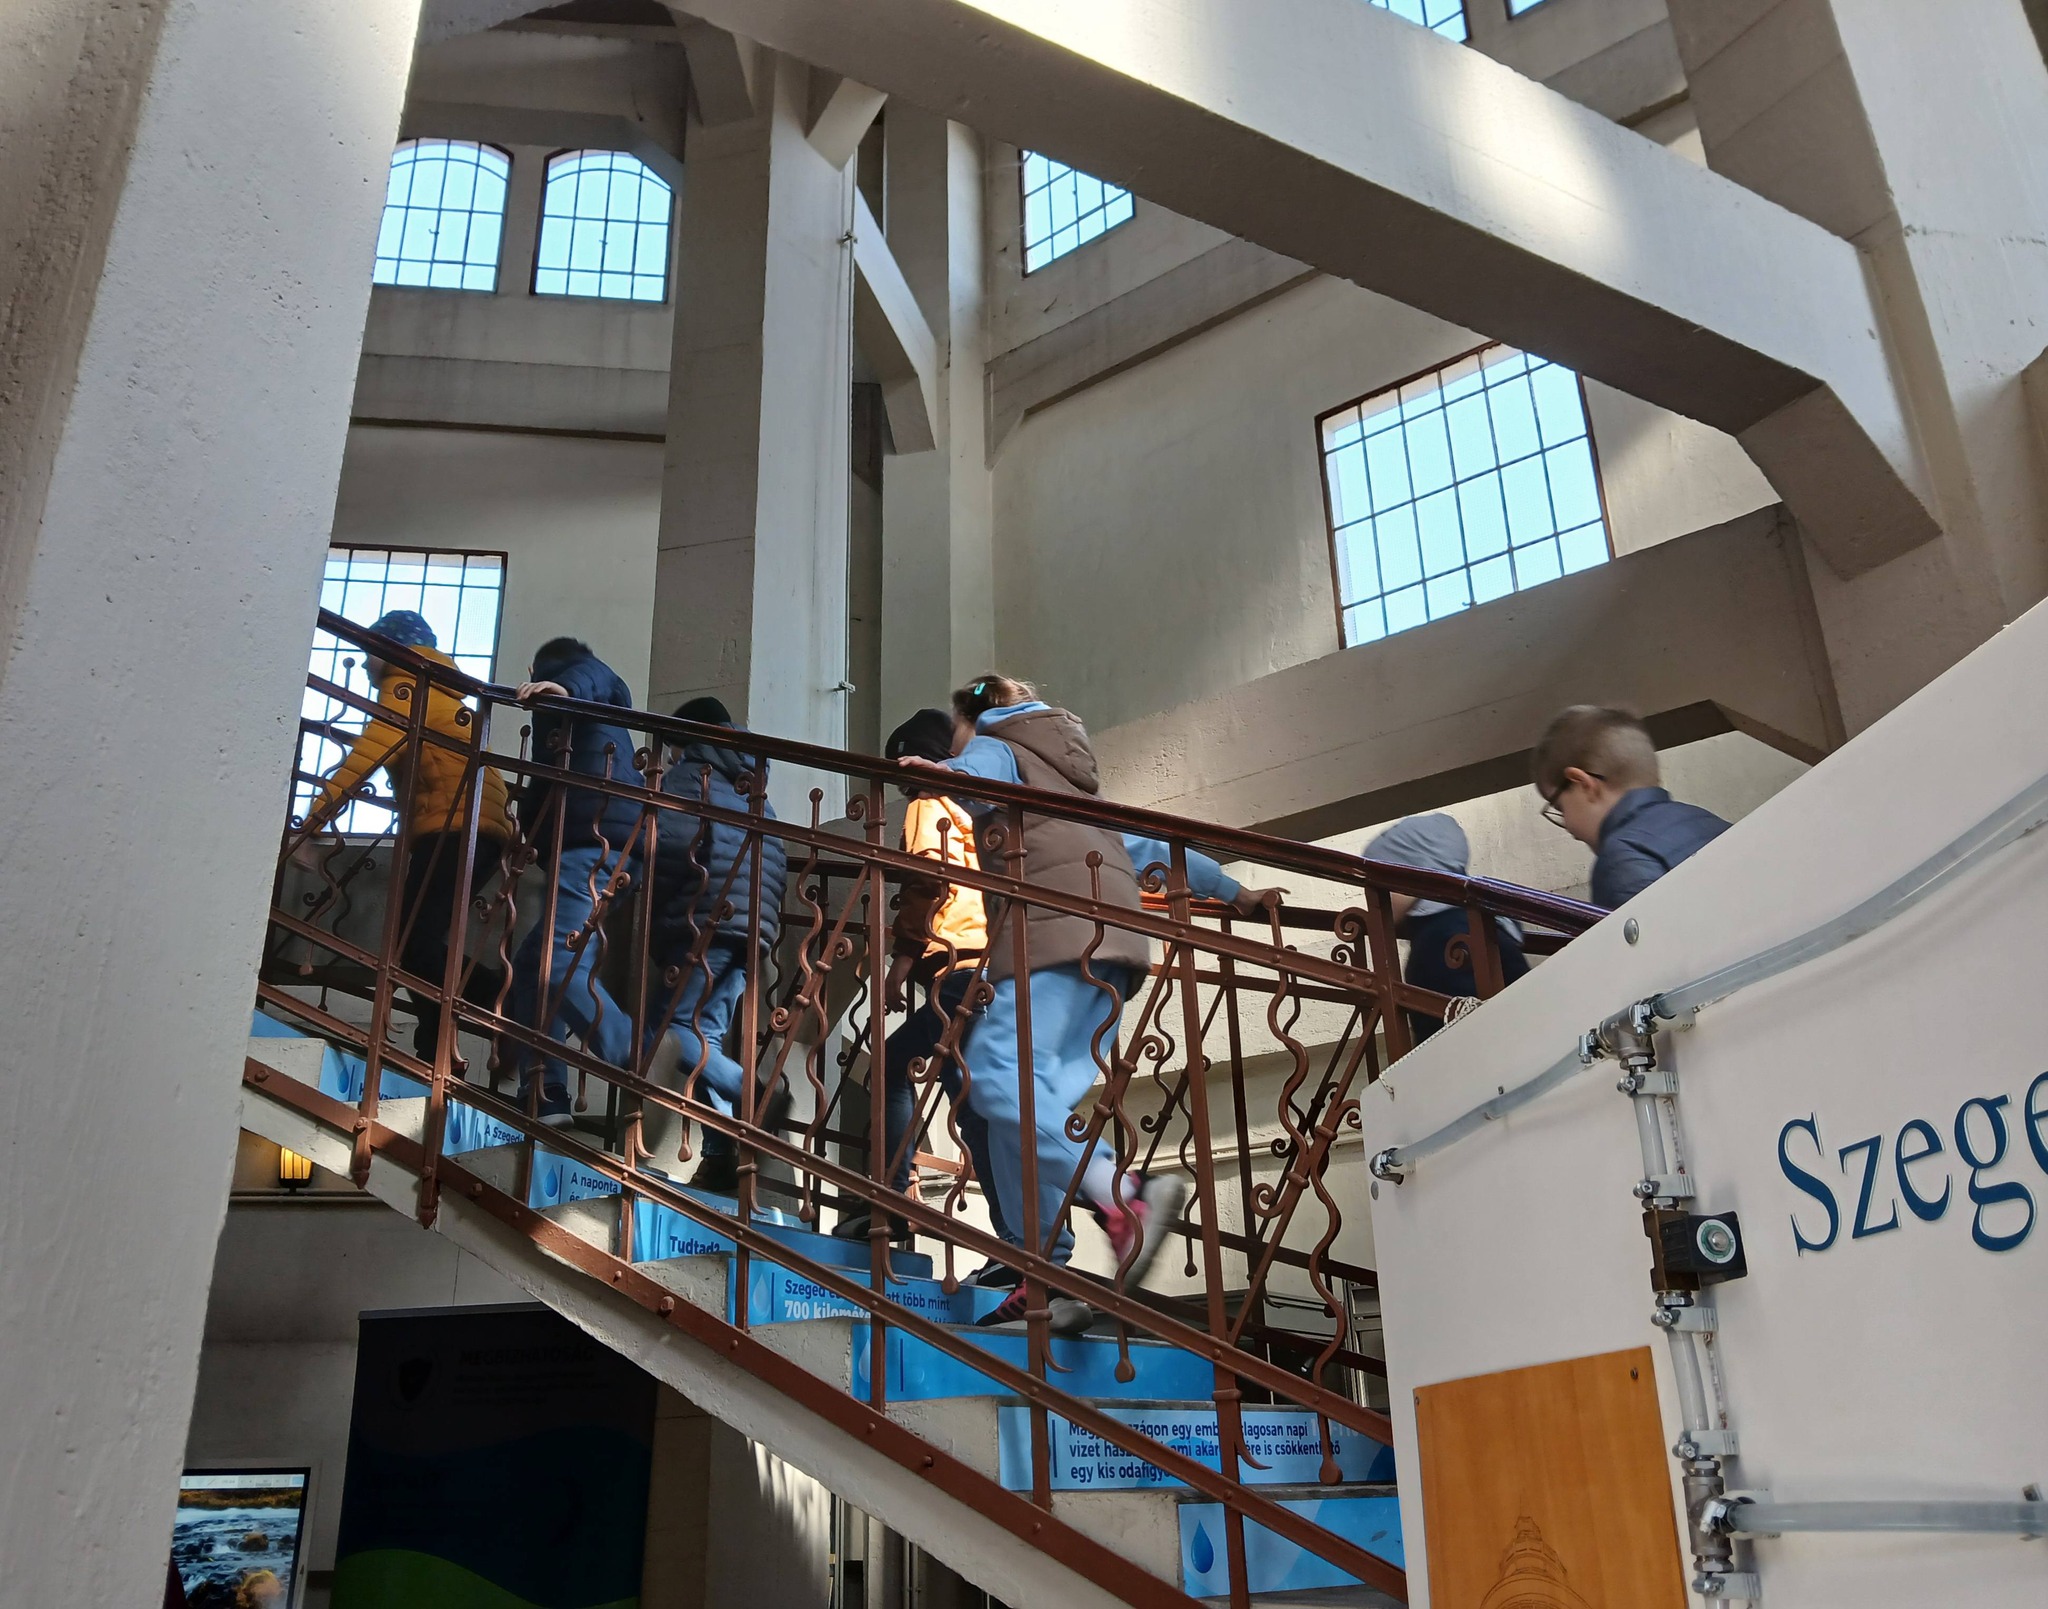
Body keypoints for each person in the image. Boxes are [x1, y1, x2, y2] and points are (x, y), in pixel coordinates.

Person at [905, 674, 1274, 1333]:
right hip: (1111, 956)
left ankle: (1124, 1197)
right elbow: (1150, 849)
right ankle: (1044, 1278)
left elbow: (976, 777)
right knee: (1024, 1111)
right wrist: (1234, 893)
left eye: (959, 731)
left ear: (973, 718)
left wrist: (943, 773)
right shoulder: (1075, 784)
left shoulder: (998, 742)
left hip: (1050, 944)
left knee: (995, 1079)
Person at [303, 609, 511, 1064]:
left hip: (454, 828)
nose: (365, 663)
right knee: (418, 942)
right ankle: (436, 1049)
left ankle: (509, 1005)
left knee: (414, 945)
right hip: (475, 829)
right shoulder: (441, 691)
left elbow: (365, 758)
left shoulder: (407, 688)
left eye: (370, 651)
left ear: (391, 650)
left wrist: (311, 823)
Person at [834, 710, 1009, 1249]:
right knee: (973, 1104)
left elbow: (925, 885)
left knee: (903, 1073)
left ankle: (894, 1200)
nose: (901, 783)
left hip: (955, 970)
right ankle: (1015, 1241)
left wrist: (899, 968)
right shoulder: (977, 806)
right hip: (991, 966)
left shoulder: (928, 803)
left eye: (901, 767)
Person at [641, 697, 791, 1193]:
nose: (669, 753)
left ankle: (753, 1095)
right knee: (703, 1035)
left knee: (668, 1033)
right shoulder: (752, 787)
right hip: (750, 930)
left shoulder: (691, 775)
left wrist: (659, 903)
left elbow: (666, 845)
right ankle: (722, 1152)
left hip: (701, 919)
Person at [510, 637, 646, 1124]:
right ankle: (545, 1090)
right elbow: (545, 785)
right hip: (599, 843)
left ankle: (636, 1055)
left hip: (595, 841)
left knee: (557, 966)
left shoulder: (582, 679)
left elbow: (595, 676)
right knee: (531, 966)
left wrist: (562, 687)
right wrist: (528, 833)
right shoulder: (564, 726)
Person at [1531, 706, 1731, 910]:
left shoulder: (1621, 863)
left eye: (1560, 807)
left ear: (1584, 785)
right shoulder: (1706, 820)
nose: (1568, 826)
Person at [1362, 813, 1529, 1045]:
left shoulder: (1444, 938)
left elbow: (1465, 1036)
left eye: (1379, 882)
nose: (1371, 896)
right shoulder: (1474, 922)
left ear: (1412, 878)